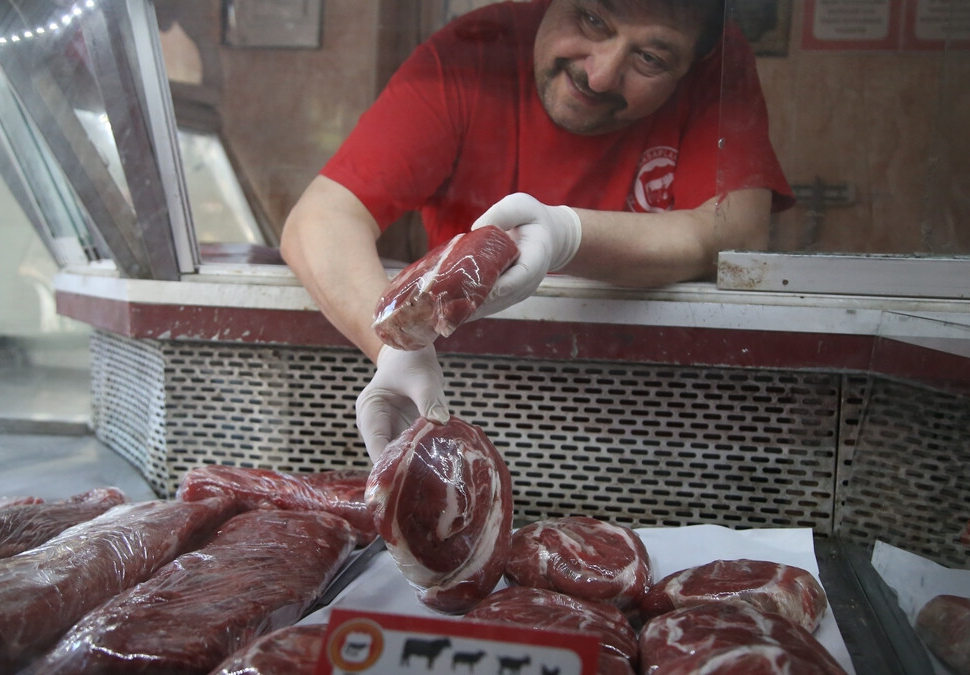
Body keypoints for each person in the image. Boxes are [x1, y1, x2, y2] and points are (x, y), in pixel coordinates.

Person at [280, 0, 795, 460]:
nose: (600, 75)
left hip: (659, 412)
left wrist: (568, 235)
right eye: (592, 19)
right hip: (469, 393)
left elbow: (738, 231)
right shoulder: (474, 51)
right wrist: (398, 347)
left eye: (650, 60)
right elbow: (321, 219)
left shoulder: (713, 57)